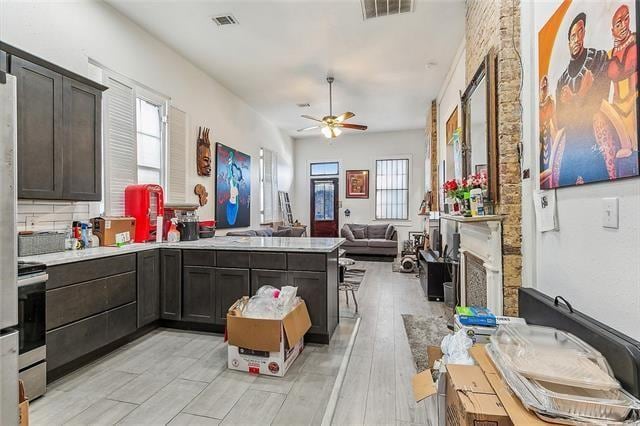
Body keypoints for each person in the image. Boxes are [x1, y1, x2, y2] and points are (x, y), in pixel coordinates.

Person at [555, 13, 610, 186]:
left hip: (591, 147)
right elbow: (560, 122)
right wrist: (580, 95)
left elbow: (599, 100)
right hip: (570, 153)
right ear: (568, 41)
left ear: (584, 33)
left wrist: (575, 98)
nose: (577, 39)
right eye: (573, 36)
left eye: (580, 32)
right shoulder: (562, 80)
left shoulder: (598, 58)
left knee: (603, 187)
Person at [594, 4, 638, 178]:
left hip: (634, 100)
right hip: (617, 105)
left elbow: (623, 70)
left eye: (626, 19)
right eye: (618, 23)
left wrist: (612, 66)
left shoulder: (634, 43)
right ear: (613, 30)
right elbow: (607, 77)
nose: (623, 26)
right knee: (598, 117)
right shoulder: (611, 52)